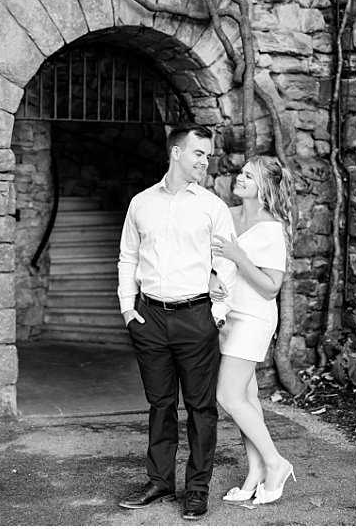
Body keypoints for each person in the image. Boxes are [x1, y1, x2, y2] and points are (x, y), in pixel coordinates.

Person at [116, 122, 237, 521]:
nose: (205, 160)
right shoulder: (141, 203)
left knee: (201, 408)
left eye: (208, 154)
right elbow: (128, 257)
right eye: (199, 153)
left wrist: (216, 314)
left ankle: (197, 489)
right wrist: (127, 308)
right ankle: (160, 481)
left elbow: (225, 263)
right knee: (160, 405)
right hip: (149, 316)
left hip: (196, 317)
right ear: (177, 153)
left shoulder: (212, 206)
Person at [208, 156, 296, 505]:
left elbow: (271, 287)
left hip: (255, 319)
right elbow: (213, 263)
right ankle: (255, 471)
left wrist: (238, 255)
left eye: (248, 175)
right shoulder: (226, 214)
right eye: (241, 172)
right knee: (247, 400)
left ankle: (276, 463)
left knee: (227, 396)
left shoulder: (272, 227)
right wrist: (213, 279)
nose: (239, 178)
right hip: (226, 314)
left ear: (264, 186)